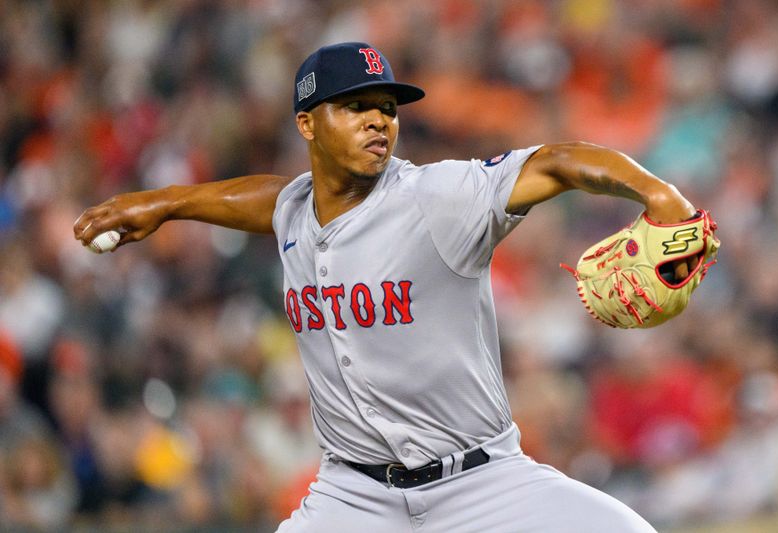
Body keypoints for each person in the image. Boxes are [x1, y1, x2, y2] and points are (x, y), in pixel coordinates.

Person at [75, 42, 700, 532]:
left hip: (483, 483)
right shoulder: (296, 209)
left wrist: (657, 192)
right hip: (354, 496)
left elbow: (555, 162)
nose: (379, 120)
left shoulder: (437, 197)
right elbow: (266, 198)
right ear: (307, 124)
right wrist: (167, 202)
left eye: (388, 108)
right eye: (356, 106)